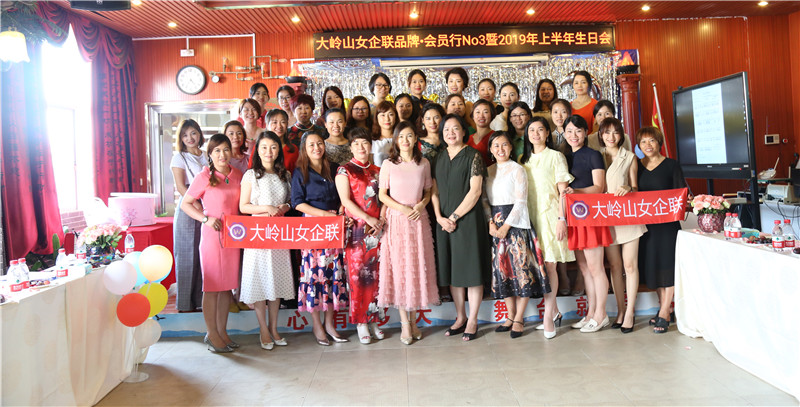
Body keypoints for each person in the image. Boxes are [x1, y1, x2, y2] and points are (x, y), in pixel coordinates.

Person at [377, 121, 439, 344]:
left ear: (415, 139)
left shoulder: (424, 163)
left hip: (418, 220)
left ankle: (414, 321)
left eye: (409, 136)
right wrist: (402, 208)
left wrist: (421, 205)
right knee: (400, 270)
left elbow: (428, 191)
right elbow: (382, 195)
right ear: (396, 140)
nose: (405, 140)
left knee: (416, 269)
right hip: (397, 220)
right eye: (401, 136)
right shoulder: (388, 164)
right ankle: (405, 323)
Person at [181, 134, 243, 353]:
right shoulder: (204, 176)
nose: (222, 154)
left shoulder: (238, 175)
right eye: (217, 150)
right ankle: (211, 333)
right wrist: (205, 219)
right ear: (210, 154)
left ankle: (222, 332)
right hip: (212, 236)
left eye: (225, 149)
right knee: (212, 286)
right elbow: (186, 204)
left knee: (226, 287)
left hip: (233, 237)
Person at [432, 114, 490, 341]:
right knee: (453, 271)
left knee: (471, 271)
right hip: (443, 222)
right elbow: (433, 191)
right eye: (446, 129)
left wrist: (454, 216)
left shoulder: (473, 155)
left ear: (464, 131)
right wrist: (439, 217)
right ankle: (460, 316)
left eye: (455, 128)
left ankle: (473, 319)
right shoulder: (438, 157)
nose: (451, 133)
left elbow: (475, 191)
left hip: (467, 220)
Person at [485, 132, 549, 339]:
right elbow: (484, 200)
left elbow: (521, 201)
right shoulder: (488, 171)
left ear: (511, 147)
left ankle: (519, 318)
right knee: (502, 272)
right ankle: (510, 316)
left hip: (516, 225)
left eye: (504, 144)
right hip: (496, 225)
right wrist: (491, 223)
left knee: (521, 272)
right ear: (490, 149)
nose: (500, 149)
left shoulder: (518, 169)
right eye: (496, 145)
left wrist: (506, 226)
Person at [291, 130, 349, 346]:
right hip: (313, 227)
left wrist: (341, 208)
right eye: (311, 145)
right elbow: (297, 203)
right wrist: (324, 215)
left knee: (333, 275)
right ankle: (317, 325)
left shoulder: (334, 168)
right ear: (304, 149)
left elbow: (344, 194)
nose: (316, 148)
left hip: (334, 227)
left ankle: (330, 324)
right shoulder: (300, 172)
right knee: (314, 276)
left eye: (319, 143)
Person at [239, 131, 294, 350]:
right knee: (260, 282)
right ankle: (263, 329)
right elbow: (243, 206)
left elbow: (290, 201)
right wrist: (266, 208)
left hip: (279, 234)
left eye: (273, 147)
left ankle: (274, 328)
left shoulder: (285, 174)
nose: (268, 151)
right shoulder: (251, 175)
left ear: (279, 150)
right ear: (257, 150)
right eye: (264, 147)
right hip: (259, 234)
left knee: (276, 282)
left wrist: (284, 207)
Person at [520, 117, 573, 337]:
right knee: (539, 267)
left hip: (551, 218)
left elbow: (564, 192)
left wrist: (562, 219)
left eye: (540, 129)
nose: (536, 133)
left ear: (547, 133)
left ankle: (547, 317)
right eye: (531, 130)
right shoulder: (524, 160)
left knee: (550, 266)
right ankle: (556, 311)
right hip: (530, 220)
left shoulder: (556, 156)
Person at [335, 128, 386, 345]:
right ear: (351, 147)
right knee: (358, 277)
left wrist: (380, 220)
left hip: (378, 230)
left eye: (364, 143)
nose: (361, 147)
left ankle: (374, 320)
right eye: (356, 143)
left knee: (376, 277)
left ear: (370, 146)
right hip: (357, 230)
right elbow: (346, 201)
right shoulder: (344, 170)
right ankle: (361, 322)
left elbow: (384, 198)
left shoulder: (379, 170)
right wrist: (367, 219)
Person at [563, 115, 612, 333]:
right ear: (564, 133)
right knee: (584, 268)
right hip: (574, 218)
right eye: (569, 131)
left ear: (585, 133)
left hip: (591, 216)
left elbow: (599, 187)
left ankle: (601, 314)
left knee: (595, 267)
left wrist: (576, 192)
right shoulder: (564, 157)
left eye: (578, 131)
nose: (574, 135)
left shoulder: (594, 155)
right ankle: (591, 313)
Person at [637, 126, 685, 334]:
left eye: (652, 140)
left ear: (659, 143)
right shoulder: (637, 166)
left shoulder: (672, 165)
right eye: (643, 142)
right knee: (654, 266)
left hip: (667, 226)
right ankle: (663, 307)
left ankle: (665, 311)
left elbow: (680, 193)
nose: (648, 145)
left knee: (668, 266)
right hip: (646, 226)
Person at [599, 117, 646, 333]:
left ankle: (630, 312)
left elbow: (636, 187)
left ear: (621, 135)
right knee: (615, 266)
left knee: (630, 265)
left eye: (615, 132)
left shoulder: (630, 157)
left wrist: (628, 187)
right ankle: (620, 310)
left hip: (628, 217)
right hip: (606, 218)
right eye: (607, 132)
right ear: (601, 135)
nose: (611, 137)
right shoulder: (597, 156)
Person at [171, 119, 207, 313]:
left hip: (207, 208)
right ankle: (185, 305)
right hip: (188, 208)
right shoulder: (179, 157)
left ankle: (200, 301)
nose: (190, 138)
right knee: (186, 256)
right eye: (185, 135)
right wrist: (196, 203)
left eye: (193, 133)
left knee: (202, 255)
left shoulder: (206, 155)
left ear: (199, 134)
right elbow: (180, 186)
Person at [266, 108, 298, 173]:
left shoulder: (293, 149)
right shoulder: (259, 147)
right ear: (267, 125)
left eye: (283, 122)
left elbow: (297, 174)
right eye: (275, 122)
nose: (279, 126)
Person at [468, 99, 495, 165]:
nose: (481, 116)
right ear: (473, 116)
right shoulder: (468, 139)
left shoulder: (496, 137)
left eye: (485, 112)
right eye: (477, 112)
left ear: (491, 115)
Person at [371, 100, 398, 167]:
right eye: (383, 115)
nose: (387, 119)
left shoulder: (401, 139)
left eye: (390, 114)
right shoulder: (372, 141)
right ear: (377, 118)